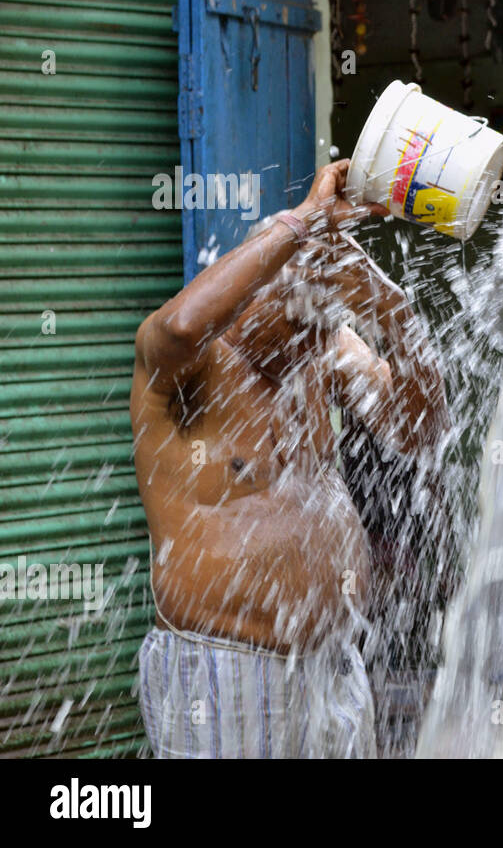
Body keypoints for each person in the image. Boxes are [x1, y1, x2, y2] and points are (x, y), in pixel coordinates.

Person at [130, 160, 447, 757]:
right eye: (300, 314)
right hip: (226, 669)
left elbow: (422, 430)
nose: (315, 334)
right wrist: (303, 222)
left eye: (327, 318)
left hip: (333, 668)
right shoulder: (185, 365)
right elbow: (179, 326)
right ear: (253, 291)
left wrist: (391, 308)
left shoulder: (324, 349)